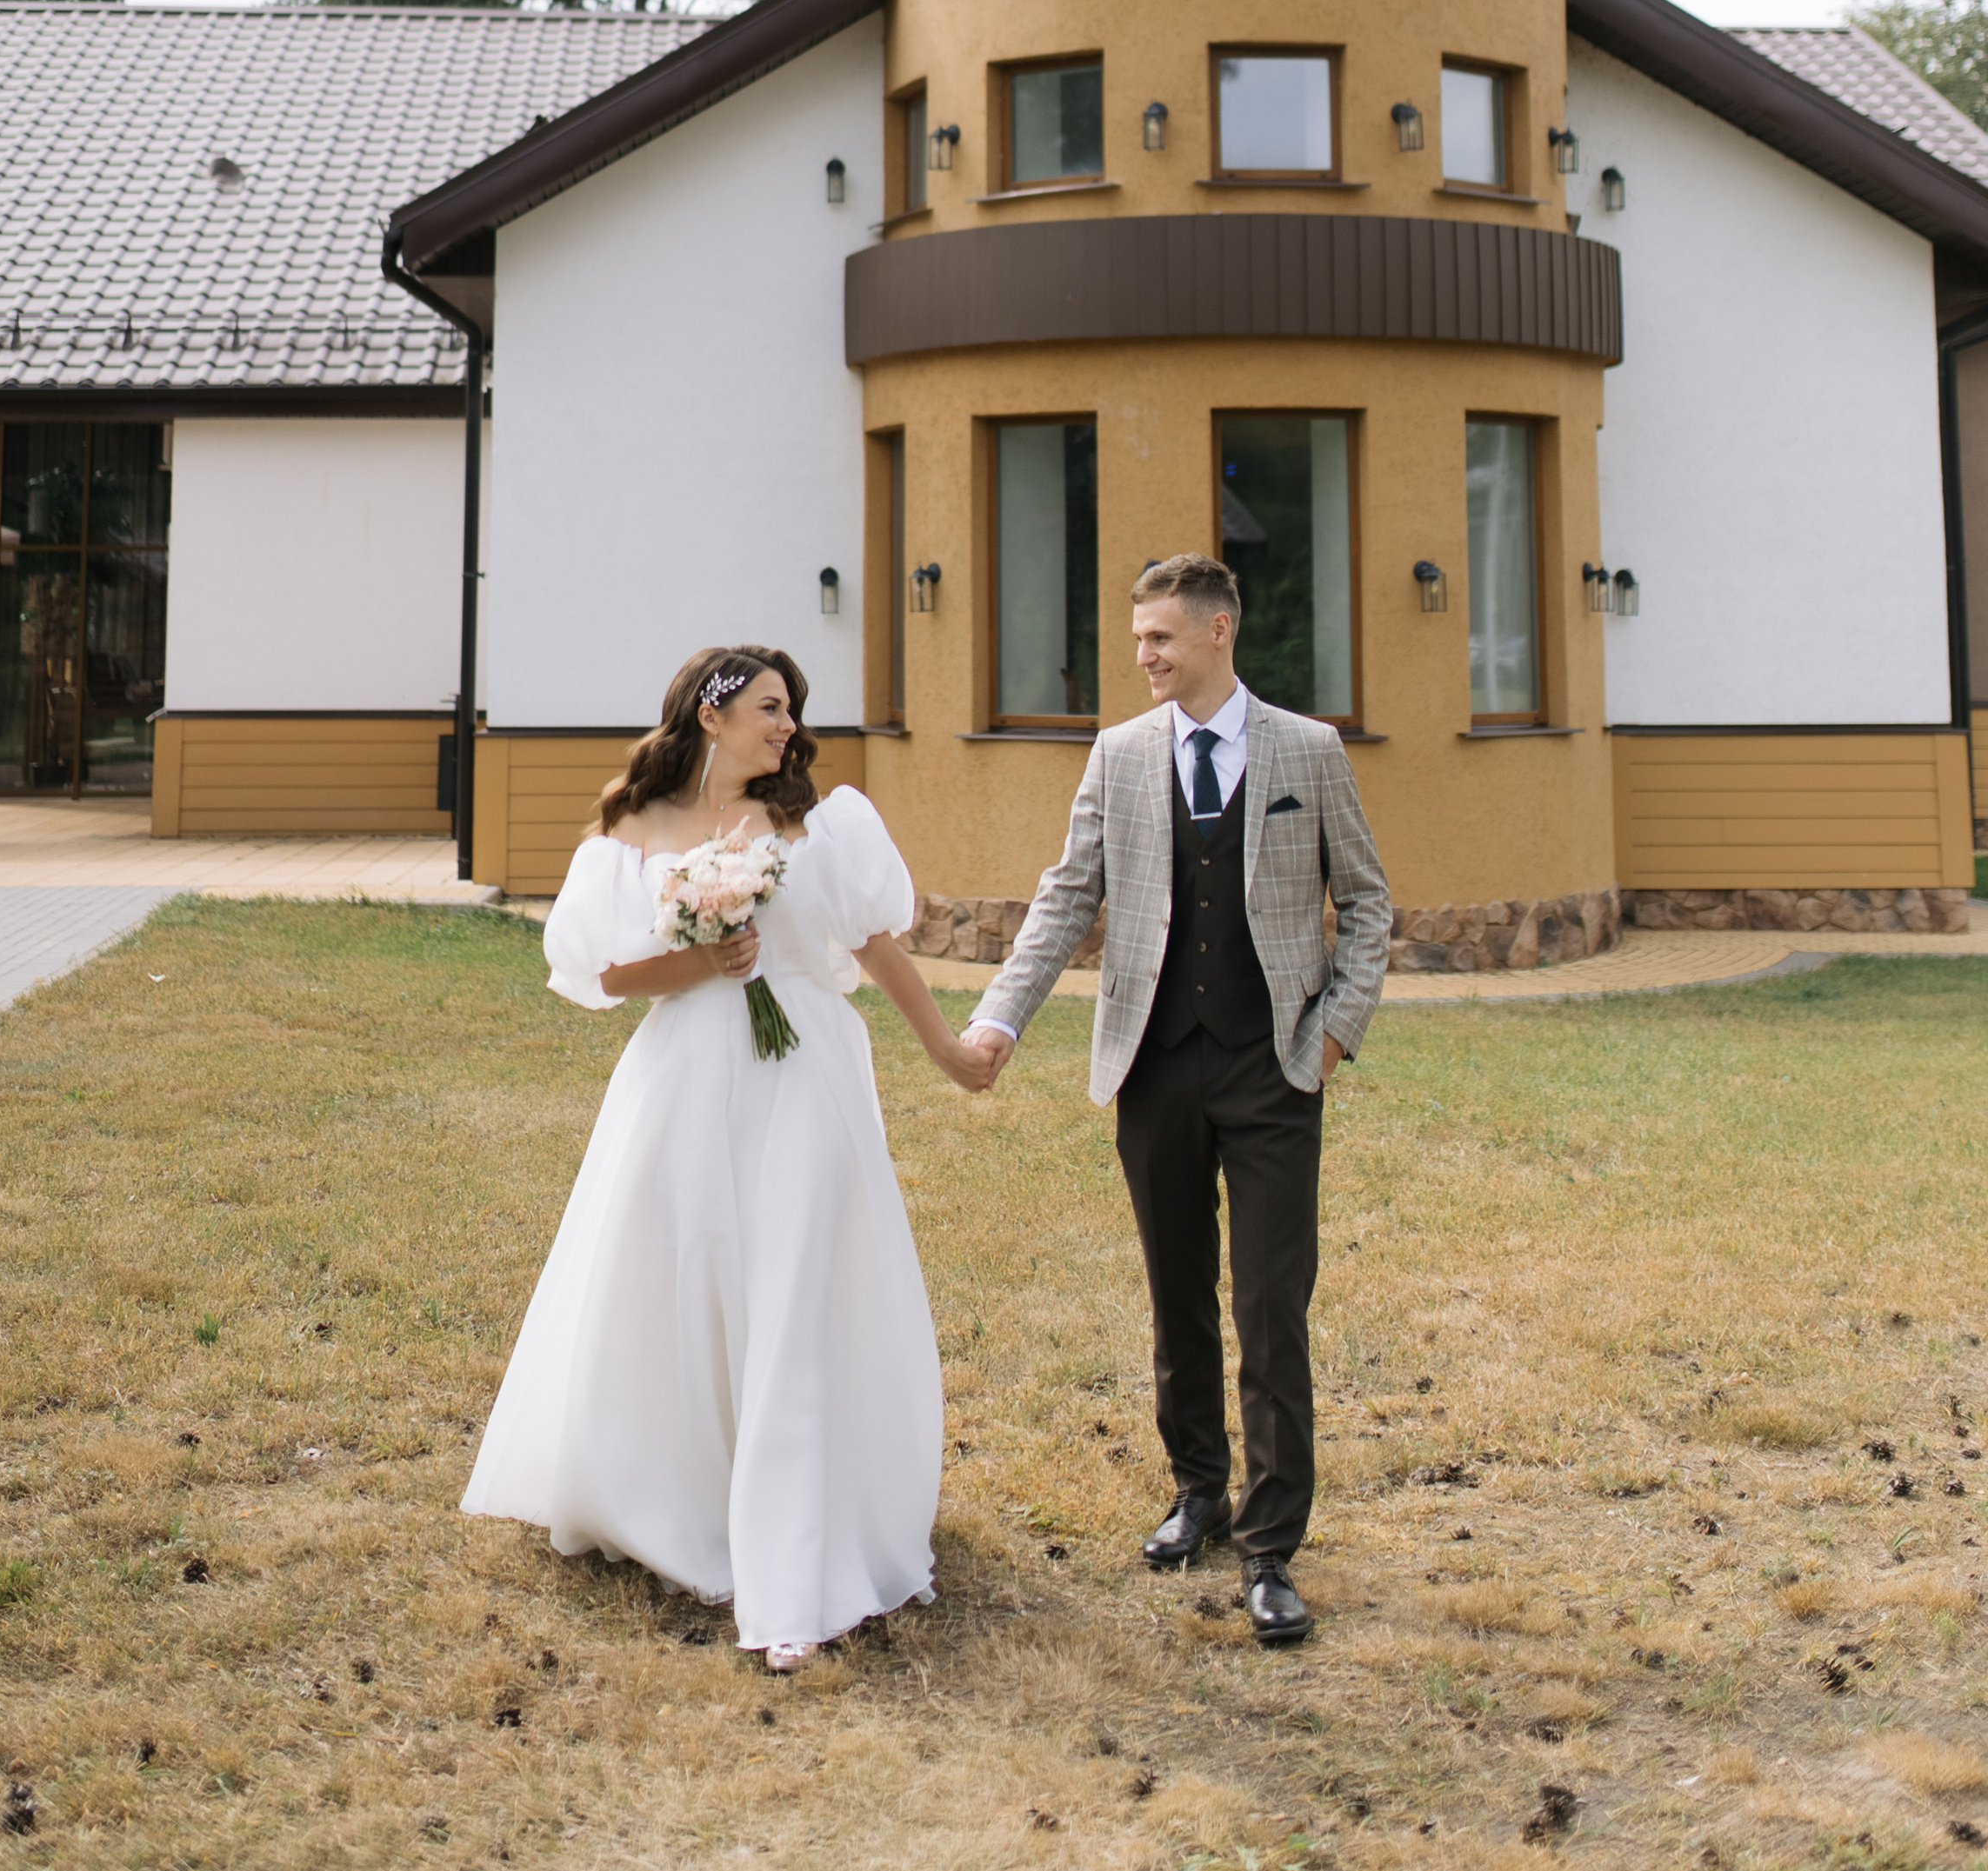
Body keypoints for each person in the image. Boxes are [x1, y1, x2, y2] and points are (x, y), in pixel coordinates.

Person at [461, 643, 992, 1671]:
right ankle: (690, 1501)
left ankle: (798, 1552)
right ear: (710, 716)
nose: (786, 725)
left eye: (791, 709)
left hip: (806, 1083)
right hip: (688, 1081)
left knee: (795, 1295)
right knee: (686, 1286)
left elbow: (878, 944)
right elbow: (608, 977)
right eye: (767, 707)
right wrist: (703, 959)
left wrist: (945, 1049)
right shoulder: (632, 831)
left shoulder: (815, 823)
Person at [959, 553, 1391, 1645]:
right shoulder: (1118, 754)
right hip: (1151, 1066)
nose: (1142, 656)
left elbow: (1370, 904)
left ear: (1217, 632)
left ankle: (1270, 1544)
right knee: (1179, 1294)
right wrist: (1000, 1019)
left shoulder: (1308, 750)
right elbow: (1067, 898)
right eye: (1138, 638)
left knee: (1269, 1307)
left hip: (1275, 1069)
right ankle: (1197, 1491)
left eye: (1159, 637)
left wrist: (1333, 1033)